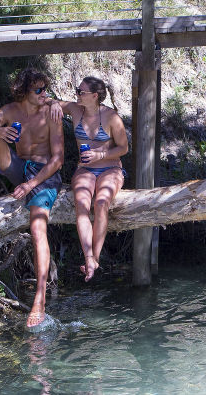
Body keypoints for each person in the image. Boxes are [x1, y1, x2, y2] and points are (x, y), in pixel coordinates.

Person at [0, 68, 64, 329]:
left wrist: (31, 183)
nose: (44, 94)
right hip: (21, 168)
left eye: (46, 89)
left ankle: (39, 299)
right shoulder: (9, 111)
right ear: (24, 91)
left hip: (44, 176)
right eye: (38, 90)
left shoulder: (51, 113)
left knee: (38, 227)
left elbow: (58, 160)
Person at [46, 77, 128, 281]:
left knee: (101, 203)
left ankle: (95, 257)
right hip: (84, 169)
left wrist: (100, 155)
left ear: (94, 96)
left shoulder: (111, 117)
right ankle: (88, 256)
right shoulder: (75, 110)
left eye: (81, 92)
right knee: (82, 204)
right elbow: (45, 100)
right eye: (76, 90)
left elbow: (123, 148)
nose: (77, 94)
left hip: (110, 168)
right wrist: (54, 103)